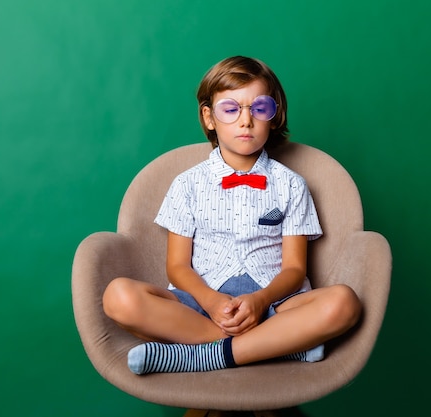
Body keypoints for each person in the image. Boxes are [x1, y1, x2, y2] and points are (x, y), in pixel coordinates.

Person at [102, 56, 362, 375]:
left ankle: (204, 356)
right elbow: (178, 265)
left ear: (275, 115)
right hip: (199, 306)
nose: (246, 121)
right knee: (119, 297)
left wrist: (261, 300)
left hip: (274, 305)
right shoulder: (187, 184)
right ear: (209, 117)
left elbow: (295, 268)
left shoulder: (291, 185)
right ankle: (272, 347)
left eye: (259, 108)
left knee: (344, 303)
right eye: (231, 109)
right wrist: (211, 302)